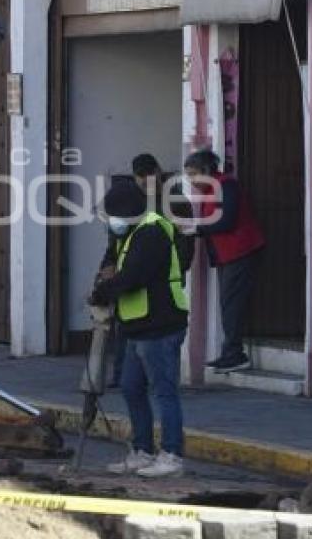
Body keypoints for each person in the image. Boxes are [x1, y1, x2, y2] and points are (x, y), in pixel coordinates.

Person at [92, 178, 189, 478]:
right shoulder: (128, 233)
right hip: (136, 326)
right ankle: (142, 450)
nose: (111, 223)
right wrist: (104, 279)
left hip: (161, 324)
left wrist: (102, 293)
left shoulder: (151, 231)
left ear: (126, 211)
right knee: (132, 388)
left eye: (112, 216)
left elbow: (133, 276)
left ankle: (172, 455)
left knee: (164, 392)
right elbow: (110, 263)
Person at [183, 149, 265, 373]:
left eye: (193, 174)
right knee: (228, 304)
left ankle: (235, 354)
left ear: (206, 170)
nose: (191, 180)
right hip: (228, 255)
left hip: (240, 251)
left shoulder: (226, 186)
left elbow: (226, 221)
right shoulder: (213, 189)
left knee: (231, 305)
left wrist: (196, 228)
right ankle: (231, 352)